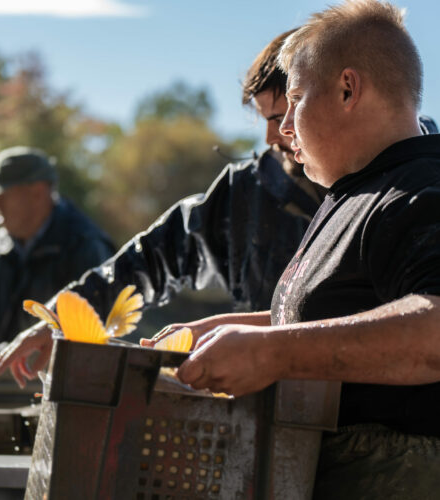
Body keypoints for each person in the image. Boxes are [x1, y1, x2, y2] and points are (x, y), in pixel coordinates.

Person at [144, 1, 440, 498]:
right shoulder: (351, 193)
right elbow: (349, 312)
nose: (282, 130)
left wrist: (274, 351)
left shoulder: (420, 190)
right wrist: (226, 330)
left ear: (348, 89)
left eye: (297, 98)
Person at [0, 31, 329, 387]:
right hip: (270, 396)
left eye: (280, 118)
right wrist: (59, 318)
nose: (273, 138)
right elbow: (147, 260)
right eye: (266, 121)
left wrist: (218, 328)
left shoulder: (377, 191)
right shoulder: (243, 193)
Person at [0, 146, 116, 349]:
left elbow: (98, 334)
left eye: (2, 195)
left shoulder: (85, 245)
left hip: (55, 380)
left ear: (37, 193)